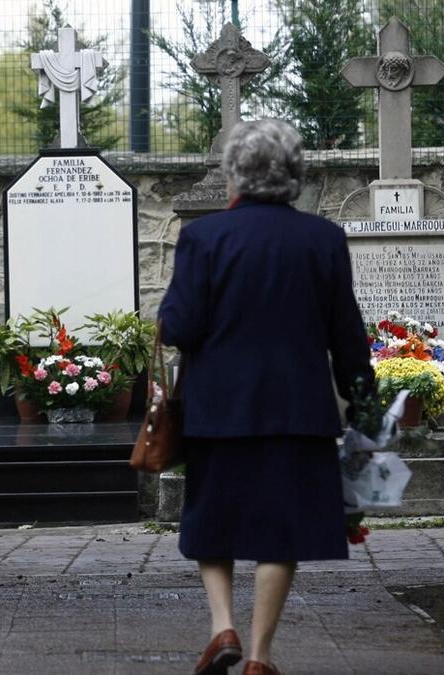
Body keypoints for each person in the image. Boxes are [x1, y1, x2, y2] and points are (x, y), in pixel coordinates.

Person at [158, 119, 374, 675]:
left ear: (235, 172)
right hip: (298, 407)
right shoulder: (323, 238)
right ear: (295, 174)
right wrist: (364, 398)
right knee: (282, 529)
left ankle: (221, 625)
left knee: (213, 519)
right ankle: (258, 657)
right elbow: (346, 332)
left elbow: (180, 326)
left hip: (218, 407)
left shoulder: (203, 238)